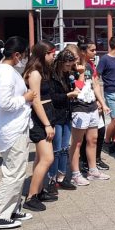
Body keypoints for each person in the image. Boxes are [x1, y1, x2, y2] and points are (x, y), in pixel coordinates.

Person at [0, 36, 37, 229]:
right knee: (13, 173)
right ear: (16, 55)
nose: (24, 58)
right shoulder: (6, 73)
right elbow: (5, 103)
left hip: (18, 127)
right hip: (12, 130)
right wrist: (25, 97)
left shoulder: (8, 70)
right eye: (23, 55)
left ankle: (12, 209)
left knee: (18, 171)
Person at [22, 41, 58, 212]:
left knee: (40, 157)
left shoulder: (43, 71)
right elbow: (35, 101)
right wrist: (47, 124)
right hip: (39, 119)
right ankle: (31, 197)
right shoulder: (34, 73)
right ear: (43, 54)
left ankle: (39, 190)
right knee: (47, 158)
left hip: (47, 115)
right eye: (52, 53)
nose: (54, 56)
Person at [69, 36, 110, 186]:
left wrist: (102, 103)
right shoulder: (73, 65)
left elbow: (96, 84)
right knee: (77, 143)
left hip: (92, 106)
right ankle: (75, 173)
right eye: (92, 50)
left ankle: (93, 170)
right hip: (79, 107)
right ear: (82, 51)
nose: (95, 52)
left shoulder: (91, 65)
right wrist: (79, 72)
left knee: (92, 140)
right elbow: (77, 87)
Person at [45, 48, 79, 194]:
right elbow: (52, 97)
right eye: (67, 65)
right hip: (56, 115)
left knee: (65, 148)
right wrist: (68, 95)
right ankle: (51, 179)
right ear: (60, 62)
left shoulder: (68, 75)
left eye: (71, 65)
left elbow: (75, 86)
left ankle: (62, 176)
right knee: (57, 149)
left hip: (66, 114)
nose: (69, 68)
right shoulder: (52, 76)